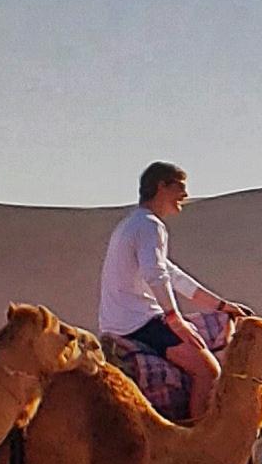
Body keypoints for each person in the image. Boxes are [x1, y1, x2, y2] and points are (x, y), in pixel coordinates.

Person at [97, 161, 248, 402]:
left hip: (122, 321)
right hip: (140, 324)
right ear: (162, 187)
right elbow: (156, 275)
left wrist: (221, 306)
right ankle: (198, 437)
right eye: (180, 187)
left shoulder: (132, 224)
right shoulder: (150, 225)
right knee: (208, 372)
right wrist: (174, 319)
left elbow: (173, 275)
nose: (185, 195)